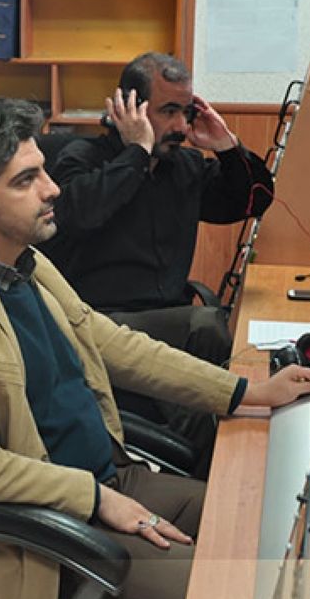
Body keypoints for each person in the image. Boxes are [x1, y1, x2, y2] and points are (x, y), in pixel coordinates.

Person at [0, 97, 310, 599]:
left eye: (44, 171)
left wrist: (246, 392)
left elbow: (114, 344)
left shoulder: (27, 265)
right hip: (46, 541)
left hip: (110, 483)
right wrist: (96, 499)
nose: (52, 189)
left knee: (269, 525)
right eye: (26, 180)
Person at [40, 52, 275, 465]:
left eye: (187, 112)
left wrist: (226, 146)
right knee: (205, 327)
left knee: (210, 336)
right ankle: (210, 462)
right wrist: (137, 152)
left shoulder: (181, 166)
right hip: (98, 323)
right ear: (130, 107)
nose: (181, 127)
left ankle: (214, 454)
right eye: (169, 112)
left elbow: (254, 200)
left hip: (167, 322)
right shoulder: (80, 159)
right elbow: (80, 213)